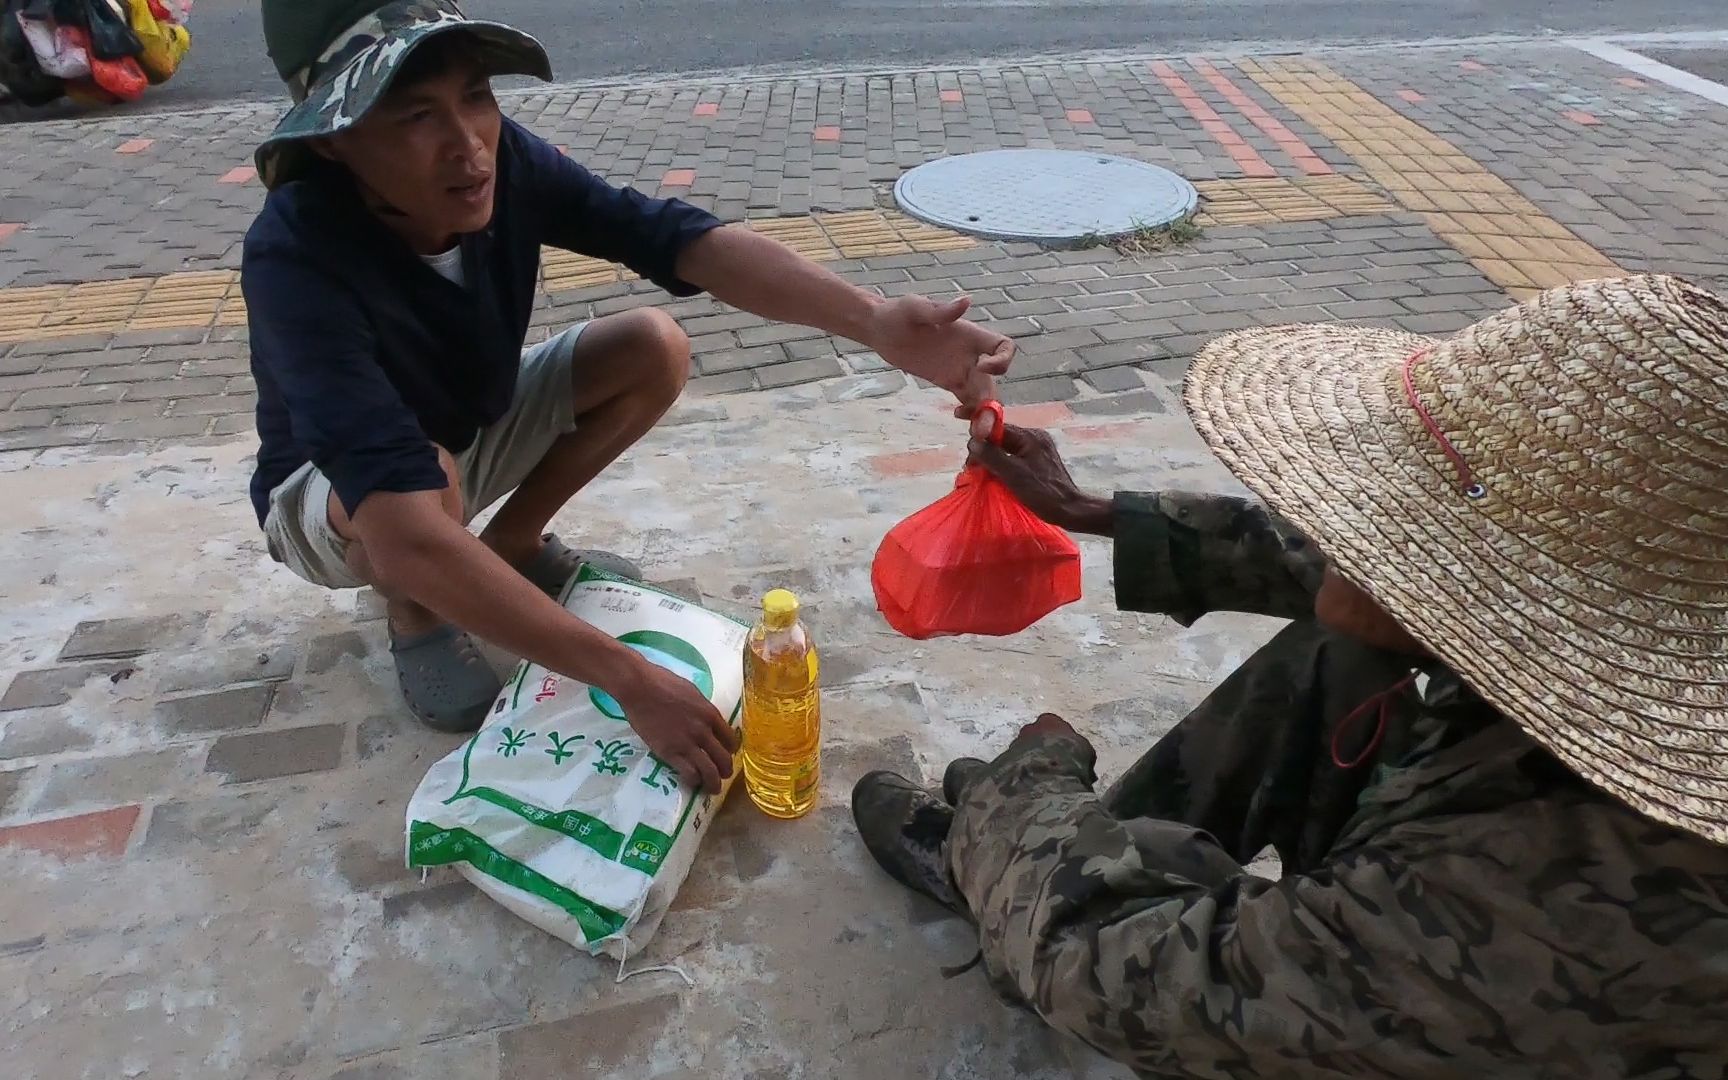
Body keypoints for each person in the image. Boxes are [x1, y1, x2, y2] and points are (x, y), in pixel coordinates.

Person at [851, 274, 1728, 1078]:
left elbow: (1111, 976)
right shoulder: (1644, 628)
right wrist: (1094, 511)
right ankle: (1067, 856)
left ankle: (1025, 872)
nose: (1330, 515)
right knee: (1344, 648)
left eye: (1387, 508)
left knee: (1083, 915)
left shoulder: (1527, 895)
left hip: (1472, 992)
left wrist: (1022, 795)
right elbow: (1349, 578)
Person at [242, 0, 1013, 789]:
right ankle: (415, 613)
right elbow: (401, 525)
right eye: (415, 116)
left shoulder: (505, 171)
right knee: (420, 485)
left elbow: (676, 239)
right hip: (331, 499)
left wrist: (874, 319)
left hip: (466, 427)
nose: (467, 145)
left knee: (651, 346)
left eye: (477, 97)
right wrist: (629, 680)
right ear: (337, 139)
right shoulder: (295, 254)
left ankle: (509, 546)